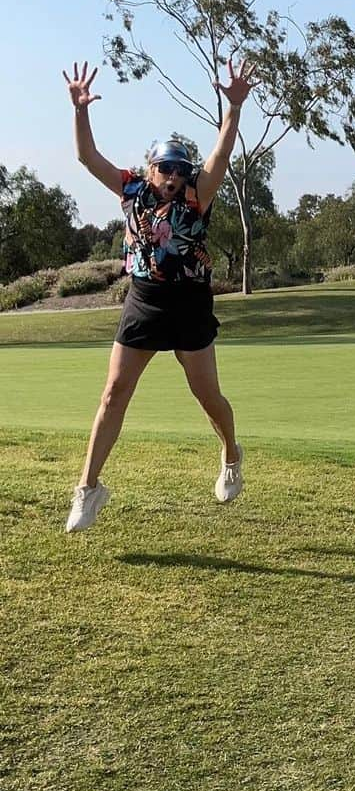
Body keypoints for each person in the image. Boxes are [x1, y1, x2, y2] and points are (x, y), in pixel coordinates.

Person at [62, 58, 257, 532]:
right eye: (163, 168)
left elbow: (222, 156)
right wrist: (80, 110)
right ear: (149, 169)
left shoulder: (197, 195)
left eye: (178, 169)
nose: (172, 176)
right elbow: (88, 158)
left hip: (190, 304)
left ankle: (231, 453)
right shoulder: (130, 188)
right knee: (113, 393)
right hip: (144, 300)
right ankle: (88, 489)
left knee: (206, 395)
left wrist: (233, 108)